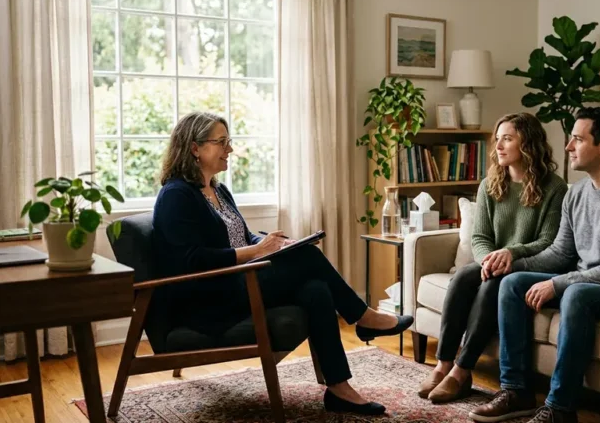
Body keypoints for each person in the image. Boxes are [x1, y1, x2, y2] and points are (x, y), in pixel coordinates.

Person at [152, 112, 414, 416]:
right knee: (310, 258)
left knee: (316, 289)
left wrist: (272, 244)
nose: (230, 149)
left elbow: (240, 236)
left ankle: (339, 389)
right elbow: (190, 261)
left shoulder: (218, 190)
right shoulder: (176, 196)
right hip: (210, 297)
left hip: (238, 280)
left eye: (229, 141)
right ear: (195, 148)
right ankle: (363, 317)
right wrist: (256, 252)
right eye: (221, 142)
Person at [469, 107, 600, 423]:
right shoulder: (576, 194)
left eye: (577, 139)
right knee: (512, 284)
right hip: (590, 283)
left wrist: (558, 283)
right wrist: (514, 261)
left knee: (576, 294)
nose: (569, 147)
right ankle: (516, 389)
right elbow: (560, 254)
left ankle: (560, 409)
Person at [419, 112, 568, 404]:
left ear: (528, 143)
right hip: (496, 263)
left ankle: (462, 372)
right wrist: (489, 260)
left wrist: (511, 253)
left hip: (527, 267)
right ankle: (444, 364)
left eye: (507, 139)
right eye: (497, 139)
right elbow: (479, 237)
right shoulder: (490, 183)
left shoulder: (554, 188)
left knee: (491, 286)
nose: (498, 146)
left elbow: (549, 242)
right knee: (462, 276)